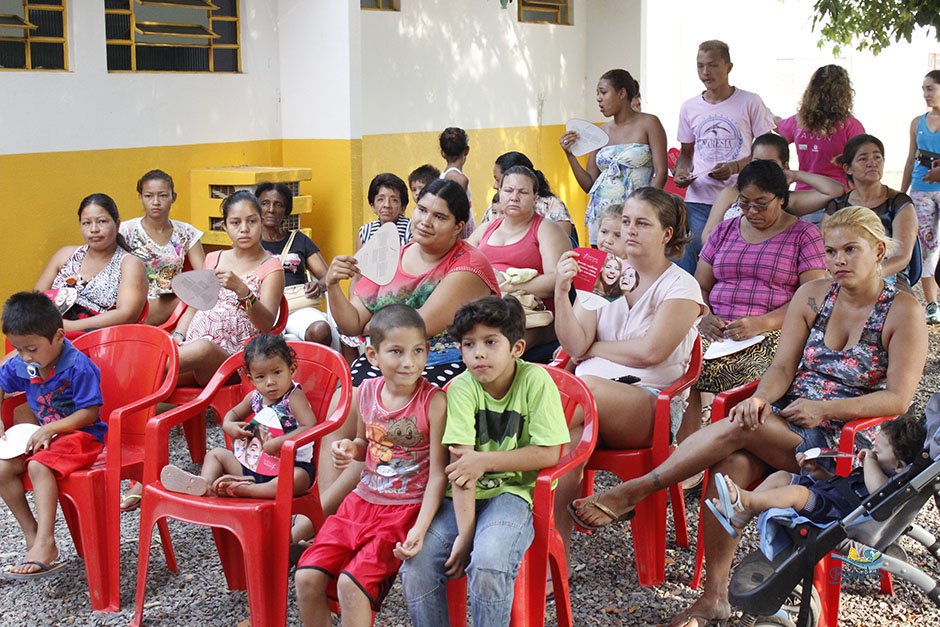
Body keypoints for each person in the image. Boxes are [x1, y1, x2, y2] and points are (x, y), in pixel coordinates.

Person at [567, 206, 927, 627]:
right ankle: (713, 598)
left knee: (739, 428)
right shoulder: (812, 296)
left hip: (849, 449)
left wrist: (824, 409)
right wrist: (761, 399)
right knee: (729, 464)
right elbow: (781, 369)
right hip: (791, 427)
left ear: (880, 250)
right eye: (830, 252)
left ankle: (636, 491)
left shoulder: (903, 310)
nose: (837, 261)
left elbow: (897, 399)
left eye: (851, 250)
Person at [320, 178, 499, 517]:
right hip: (388, 361)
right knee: (341, 407)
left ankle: (318, 521)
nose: (425, 221)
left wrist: (378, 326)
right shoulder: (392, 256)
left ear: (459, 227)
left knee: (380, 422)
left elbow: (417, 327)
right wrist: (333, 286)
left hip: (441, 366)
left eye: (440, 217)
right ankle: (326, 514)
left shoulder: (468, 265)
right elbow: (353, 322)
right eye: (422, 210)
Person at [399, 295, 570, 626]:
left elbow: (550, 453)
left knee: (489, 562)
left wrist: (485, 462)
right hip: (460, 500)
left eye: (490, 342)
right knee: (416, 565)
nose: (478, 353)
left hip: (512, 495)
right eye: (468, 344)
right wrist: (465, 535)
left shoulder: (536, 381)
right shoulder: (461, 389)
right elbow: (462, 468)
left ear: (517, 348)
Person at [552, 186, 705, 547]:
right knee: (566, 443)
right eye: (625, 222)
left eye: (642, 223)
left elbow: (652, 352)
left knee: (573, 392)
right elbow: (573, 345)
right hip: (589, 409)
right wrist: (561, 292)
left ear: (667, 234)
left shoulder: (681, 286)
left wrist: (595, 349)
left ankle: (502, 466)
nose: (630, 231)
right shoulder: (608, 277)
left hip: (649, 407)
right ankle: (553, 553)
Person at [294, 305, 447, 626]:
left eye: (418, 351)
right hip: (360, 503)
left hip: (402, 510)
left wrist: (419, 528)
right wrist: (350, 447)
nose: (409, 362)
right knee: (306, 577)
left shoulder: (433, 402)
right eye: (396, 351)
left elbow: (438, 475)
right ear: (373, 355)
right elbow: (367, 446)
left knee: (352, 584)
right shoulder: (365, 393)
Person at [686, 160, 828, 447]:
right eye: (745, 203)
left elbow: (812, 298)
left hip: (774, 331)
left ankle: (720, 444)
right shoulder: (724, 230)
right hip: (718, 328)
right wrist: (705, 314)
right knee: (681, 361)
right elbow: (700, 284)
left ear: (783, 199)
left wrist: (762, 323)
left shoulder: (804, 235)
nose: (752, 211)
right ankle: (689, 445)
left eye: (762, 203)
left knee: (725, 372)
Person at [0, 292, 106, 577]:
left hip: (81, 436)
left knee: (38, 464)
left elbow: (89, 414)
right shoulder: (24, 363)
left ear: (59, 336)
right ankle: (32, 533)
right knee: (2, 468)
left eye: (31, 349)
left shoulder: (78, 367)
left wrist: (50, 428)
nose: (24, 357)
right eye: (19, 349)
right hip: (44, 435)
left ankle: (47, 542)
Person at [707, 414, 924, 535]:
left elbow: (878, 492)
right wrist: (819, 473)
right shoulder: (875, 469)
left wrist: (869, 459)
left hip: (838, 515)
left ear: (899, 466)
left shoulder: (888, 482)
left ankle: (746, 499)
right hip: (830, 498)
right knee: (781, 476)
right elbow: (842, 486)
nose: (872, 453)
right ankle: (740, 516)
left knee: (796, 493)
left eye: (878, 451)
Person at [159, 334, 317, 498]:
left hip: (289, 466)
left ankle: (244, 490)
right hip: (252, 464)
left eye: (277, 372)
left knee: (298, 479)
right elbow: (233, 414)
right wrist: (228, 424)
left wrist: (280, 443)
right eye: (261, 377)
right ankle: (204, 484)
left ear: (291, 370)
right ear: (251, 379)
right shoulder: (255, 397)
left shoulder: (293, 397)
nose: (270, 382)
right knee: (215, 454)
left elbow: (310, 426)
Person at [672, 40, 777, 275]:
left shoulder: (750, 102)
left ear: (729, 67)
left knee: (731, 261)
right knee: (693, 257)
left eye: (713, 65)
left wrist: (735, 167)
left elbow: (768, 153)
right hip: (698, 200)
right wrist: (681, 173)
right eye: (700, 66)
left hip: (741, 198)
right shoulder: (689, 107)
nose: (705, 73)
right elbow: (686, 155)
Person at [171, 191, 285, 386]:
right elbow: (195, 305)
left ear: (262, 221)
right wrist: (178, 335)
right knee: (156, 385)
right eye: (235, 223)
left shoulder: (271, 268)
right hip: (193, 353)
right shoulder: (213, 258)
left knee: (202, 349)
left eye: (251, 221)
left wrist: (242, 290)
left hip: (235, 361)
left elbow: (267, 323)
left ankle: (148, 364)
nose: (244, 229)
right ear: (224, 226)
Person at [467, 165, 572, 362]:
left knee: (495, 354)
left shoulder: (546, 229)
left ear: (535, 198)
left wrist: (509, 285)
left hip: (534, 319)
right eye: (508, 191)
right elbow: (460, 266)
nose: (514, 197)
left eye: (523, 192)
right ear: (499, 192)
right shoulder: (487, 229)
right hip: (487, 313)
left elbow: (556, 282)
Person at [559, 69, 667, 245]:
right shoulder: (600, 133)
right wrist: (569, 154)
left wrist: (646, 209)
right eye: (597, 94)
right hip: (603, 219)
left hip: (636, 217)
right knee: (605, 270)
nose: (598, 99)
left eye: (603, 92)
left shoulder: (649, 123)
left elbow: (661, 172)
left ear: (622, 93)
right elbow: (589, 184)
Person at [701, 133, 846, 245]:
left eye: (770, 163)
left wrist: (796, 175)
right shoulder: (731, 193)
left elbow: (835, 190)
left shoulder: (788, 199)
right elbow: (707, 234)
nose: (762, 168)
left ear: (784, 166)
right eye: (757, 162)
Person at [35, 193, 148, 333]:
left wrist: (70, 327)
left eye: (101, 221)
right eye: (86, 223)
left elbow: (127, 314)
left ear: (117, 224)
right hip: (50, 335)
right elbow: (36, 299)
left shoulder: (129, 264)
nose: (94, 229)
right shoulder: (65, 255)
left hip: (99, 341)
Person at [825, 134, 918, 292]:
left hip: (889, 274)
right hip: (845, 275)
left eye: (877, 157)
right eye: (863, 159)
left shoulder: (899, 203)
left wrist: (867, 275)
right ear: (848, 168)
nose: (872, 163)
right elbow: (827, 250)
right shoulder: (837, 205)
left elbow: (902, 257)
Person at [777, 64, 865, 225]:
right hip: (839, 200)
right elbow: (862, 160)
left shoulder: (798, 122)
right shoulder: (851, 126)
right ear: (845, 93)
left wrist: (767, 114)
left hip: (804, 201)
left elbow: (779, 128)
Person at [121, 169, 206, 325]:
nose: (156, 202)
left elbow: (204, 275)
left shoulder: (186, 233)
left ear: (173, 197)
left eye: (163, 195)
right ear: (140, 197)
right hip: (134, 304)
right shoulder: (126, 231)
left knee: (204, 294)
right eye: (149, 196)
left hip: (175, 301)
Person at [255, 182, 332, 346]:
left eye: (278, 204)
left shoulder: (299, 240)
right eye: (265, 203)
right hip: (262, 310)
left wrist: (318, 286)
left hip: (298, 308)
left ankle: (317, 371)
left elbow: (327, 276)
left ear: (286, 211)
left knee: (321, 331)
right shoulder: (249, 244)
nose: (271, 209)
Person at [901, 70, 940, 323]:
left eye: (931, 88)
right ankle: (932, 304)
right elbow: (909, 157)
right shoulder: (918, 122)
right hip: (921, 190)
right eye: (924, 89)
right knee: (926, 247)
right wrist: (901, 194)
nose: (926, 94)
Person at [481, 151, 577, 244]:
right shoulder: (494, 207)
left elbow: (562, 242)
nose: (495, 185)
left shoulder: (551, 205)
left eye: (498, 180)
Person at [358, 173, 412, 250]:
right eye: (380, 199)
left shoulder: (412, 228)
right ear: (372, 206)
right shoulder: (364, 232)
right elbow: (359, 261)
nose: (387, 205)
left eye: (394, 200)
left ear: (403, 207)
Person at [439, 127, 476, 237]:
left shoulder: (443, 175)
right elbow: (456, 214)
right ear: (466, 150)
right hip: (459, 238)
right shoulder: (459, 179)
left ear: (443, 153)